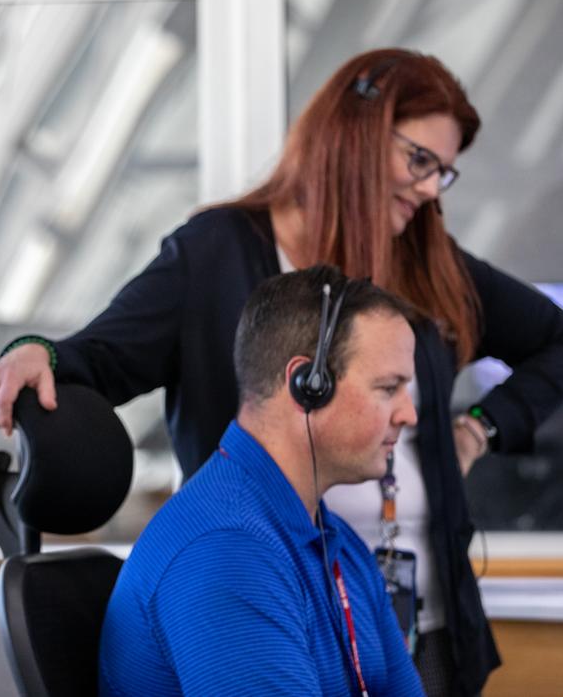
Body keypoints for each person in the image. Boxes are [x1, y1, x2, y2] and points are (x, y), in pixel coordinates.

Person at [0, 48, 563, 695]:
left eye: (444, 173)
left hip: (383, 589)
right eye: (419, 161)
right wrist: (37, 352)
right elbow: (102, 354)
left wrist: (478, 428)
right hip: (267, 571)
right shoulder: (218, 254)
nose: (430, 190)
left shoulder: (427, 257)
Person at [99, 267, 424, 696]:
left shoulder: (333, 540)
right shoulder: (226, 553)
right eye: (388, 388)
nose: (408, 415)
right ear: (308, 386)